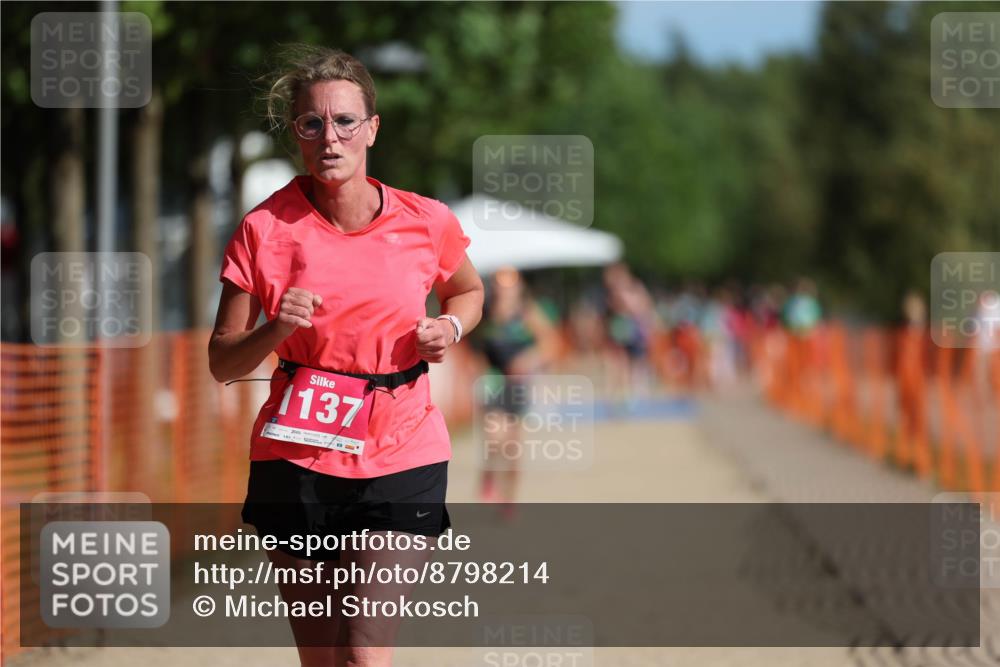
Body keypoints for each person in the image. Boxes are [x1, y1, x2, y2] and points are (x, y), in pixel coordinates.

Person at [208, 46, 484, 667]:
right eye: (311, 123)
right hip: (298, 453)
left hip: (401, 447)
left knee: (364, 647)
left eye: (344, 122)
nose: (328, 137)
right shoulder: (264, 229)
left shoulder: (425, 220)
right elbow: (223, 362)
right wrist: (275, 328)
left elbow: (468, 289)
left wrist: (451, 325)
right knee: (324, 654)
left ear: (371, 130)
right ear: (296, 134)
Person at [473, 267, 558, 515]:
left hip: (517, 385)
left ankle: (508, 498)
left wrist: (529, 359)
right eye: (500, 280)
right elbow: (473, 345)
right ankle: (488, 475)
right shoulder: (485, 311)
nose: (505, 286)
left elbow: (551, 344)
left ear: (519, 286)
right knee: (493, 436)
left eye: (510, 281)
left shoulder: (527, 313)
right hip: (492, 380)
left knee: (511, 448)